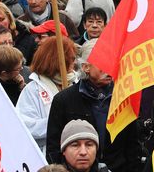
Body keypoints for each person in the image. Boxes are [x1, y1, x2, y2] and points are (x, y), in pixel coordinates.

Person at [46, 40, 142, 171]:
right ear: (86, 67)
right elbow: (53, 147)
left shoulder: (124, 97)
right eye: (103, 62)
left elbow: (133, 144)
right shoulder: (63, 100)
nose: (110, 68)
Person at [17, 36, 78, 150]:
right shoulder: (33, 90)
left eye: (74, 58)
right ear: (57, 60)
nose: (73, 62)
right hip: (46, 153)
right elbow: (25, 125)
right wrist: (58, 121)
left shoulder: (77, 84)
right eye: (70, 59)